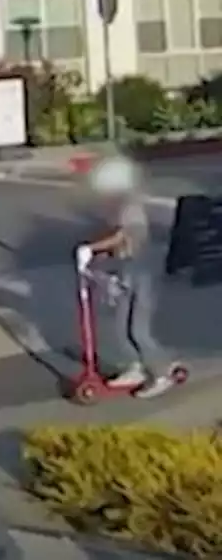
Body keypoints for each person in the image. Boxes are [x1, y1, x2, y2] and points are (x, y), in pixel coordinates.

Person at [79, 154, 175, 398]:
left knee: (138, 329)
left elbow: (124, 236)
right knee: (121, 326)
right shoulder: (115, 206)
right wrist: (100, 256)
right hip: (124, 269)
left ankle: (161, 372)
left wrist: (93, 248)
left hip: (141, 270)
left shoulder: (131, 206)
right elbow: (115, 240)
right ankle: (135, 368)